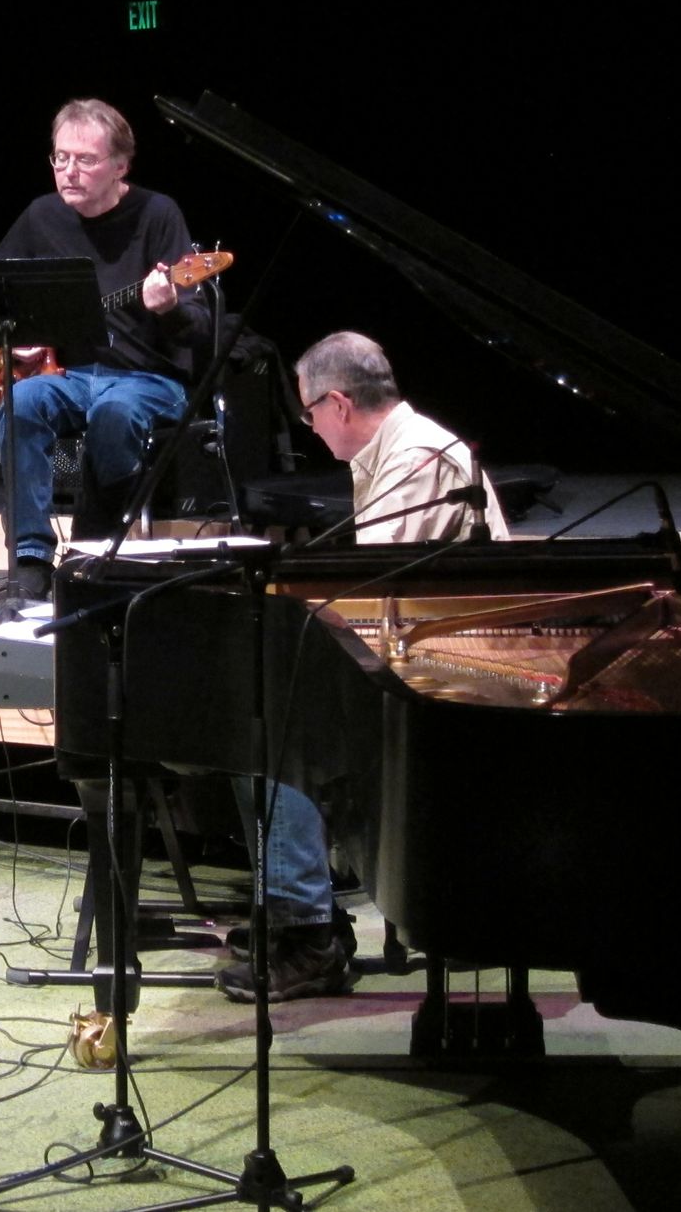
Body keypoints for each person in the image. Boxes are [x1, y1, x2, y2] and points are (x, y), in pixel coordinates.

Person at [215, 330, 506, 1003]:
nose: (310, 427)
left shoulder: (418, 455)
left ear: (339, 404)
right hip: (414, 656)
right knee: (251, 700)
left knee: (268, 726)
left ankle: (310, 932)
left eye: (310, 412)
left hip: (448, 680)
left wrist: (296, 610)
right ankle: (296, 915)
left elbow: (383, 601)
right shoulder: (386, 453)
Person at [0, 98, 211, 598]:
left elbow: (199, 326)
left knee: (115, 411)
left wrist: (168, 306)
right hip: (70, 374)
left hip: (150, 380)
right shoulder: (41, 216)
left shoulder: (158, 214)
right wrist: (17, 334)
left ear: (120, 166)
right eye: (60, 158)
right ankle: (29, 558)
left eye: (85, 160)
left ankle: (92, 552)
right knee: (22, 402)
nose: (69, 171)